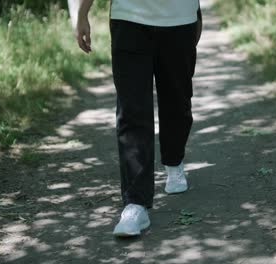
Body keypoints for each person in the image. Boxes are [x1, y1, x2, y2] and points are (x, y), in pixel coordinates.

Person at [75, 0, 202, 237]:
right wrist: (82, 13)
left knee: (178, 101)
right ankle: (135, 204)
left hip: (180, 19)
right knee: (132, 111)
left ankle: (174, 163)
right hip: (129, 18)